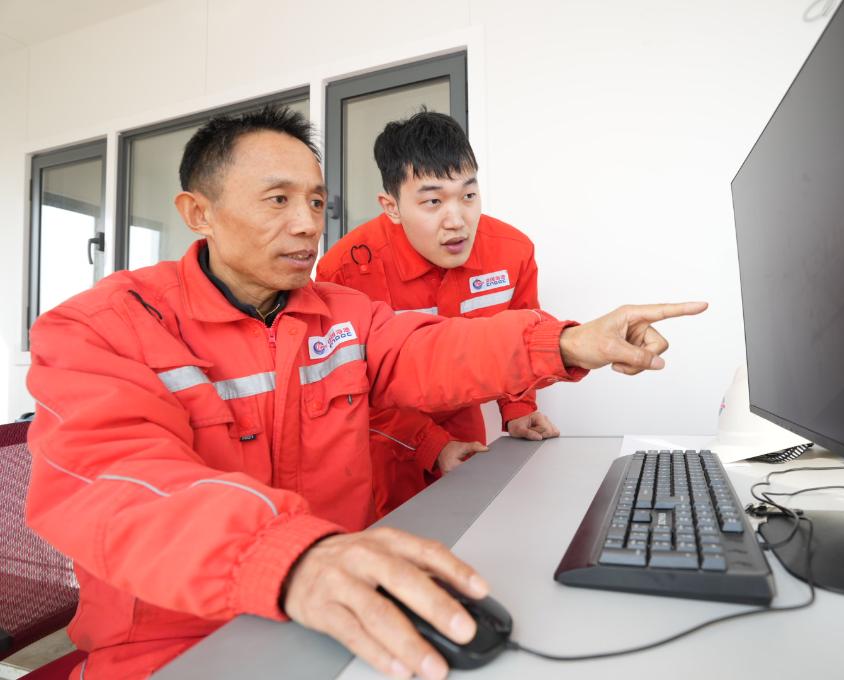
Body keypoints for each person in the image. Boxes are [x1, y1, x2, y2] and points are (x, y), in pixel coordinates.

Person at [25, 106, 707, 680]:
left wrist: (566, 343)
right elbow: (117, 483)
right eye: (278, 200)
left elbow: (429, 349)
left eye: (315, 201)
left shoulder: (341, 314)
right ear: (198, 212)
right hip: (176, 640)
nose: (306, 223)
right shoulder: (99, 329)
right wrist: (290, 559)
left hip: (336, 605)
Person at [316, 111, 558, 515]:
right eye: (433, 201)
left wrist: (519, 408)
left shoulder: (512, 251)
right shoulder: (345, 272)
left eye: (468, 195)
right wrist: (431, 444)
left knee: (473, 525)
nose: (457, 221)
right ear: (391, 207)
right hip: (384, 433)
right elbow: (351, 383)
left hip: (463, 416)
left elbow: (520, 336)